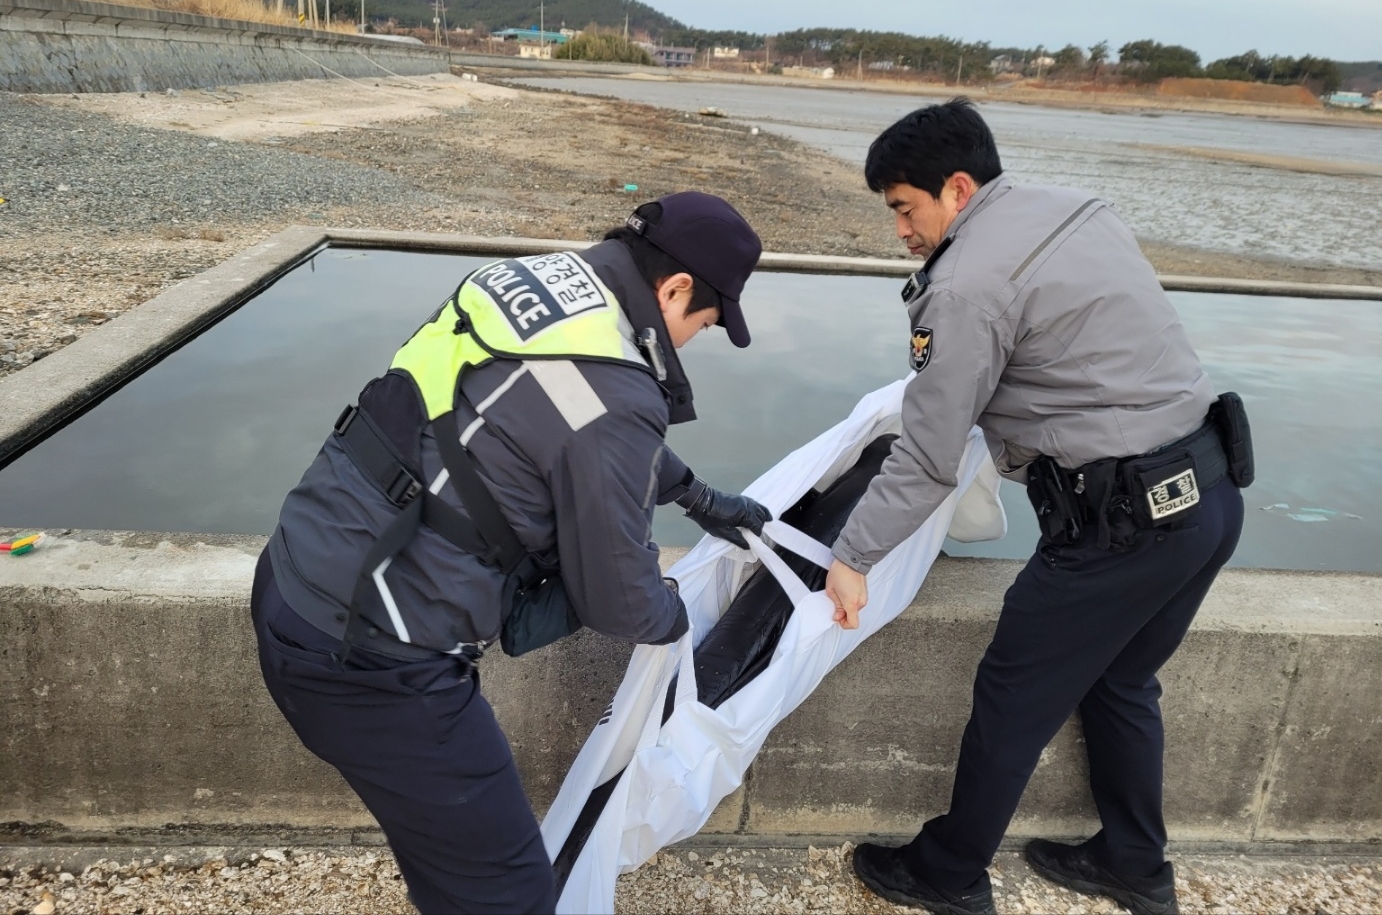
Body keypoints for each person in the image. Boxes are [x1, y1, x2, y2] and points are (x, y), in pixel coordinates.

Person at [251, 191, 773, 915]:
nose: (693, 340)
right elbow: (620, 599)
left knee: (451, 858)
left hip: (296, 578)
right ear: (676, 288)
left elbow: (568, 426)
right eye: (705, 324)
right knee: (511, 892)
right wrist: (684, 615)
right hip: (376, 665)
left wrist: (699, 499)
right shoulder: (616, 390)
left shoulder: (537, 285)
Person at [823, 99, 1251, 915]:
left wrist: (853, 557)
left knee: (1013, 696)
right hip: (1211, 493)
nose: (902, 232)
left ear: (956, 188)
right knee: (1123, 679)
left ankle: (947, 872)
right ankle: (1134, 861)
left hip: (1122, 524)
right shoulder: (1075, 208)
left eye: (905, 210)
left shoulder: (966, 286)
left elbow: (927, 454)